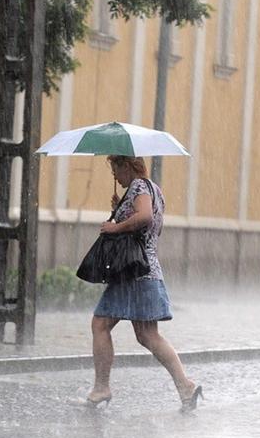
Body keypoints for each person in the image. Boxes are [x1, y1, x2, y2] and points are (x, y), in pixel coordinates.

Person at [84, 154, 203, 412]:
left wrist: (115, 227)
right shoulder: (153, 189)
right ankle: (185, 385)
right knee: (147, 335)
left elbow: (145, 217)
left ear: (127, 165)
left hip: (134, 272)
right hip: (147, 271)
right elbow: (148, 224)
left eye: (116, 169)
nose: (115, 176)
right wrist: (120, 208)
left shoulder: (138, 186)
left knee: (101, 324)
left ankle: (102, 387)